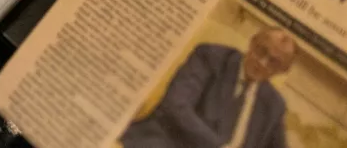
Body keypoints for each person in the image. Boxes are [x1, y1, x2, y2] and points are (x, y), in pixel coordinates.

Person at [121, 28, 297, 148]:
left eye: (274, 62)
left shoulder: (274, 104)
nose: (262, 63)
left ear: (282, 70)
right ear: (252, 43)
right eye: (261, 50)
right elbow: (176, 106)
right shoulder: (211, 57)